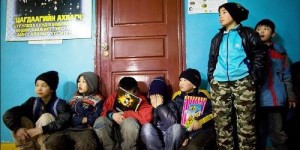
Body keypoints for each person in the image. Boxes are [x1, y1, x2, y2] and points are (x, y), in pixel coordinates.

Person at [207, 2, 267, 150]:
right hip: (219, 84)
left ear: (234, 14)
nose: (220, 16)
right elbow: (212, 60)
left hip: (243, 83)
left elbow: (260, 54)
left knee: (246, 124)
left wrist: (252, 78)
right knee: (221, 124)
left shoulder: (248, 33)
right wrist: (212, 78)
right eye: (219, 14)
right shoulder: (217, 38)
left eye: (224, 12)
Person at [255, 19, 297, 150]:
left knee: (278, 133)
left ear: (272, 34)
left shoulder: (280, 53)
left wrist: (291, 96)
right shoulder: (249, 51)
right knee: (256, 133)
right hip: (255, 100)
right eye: (258, 28)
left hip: (275, 100)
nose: (261, 31)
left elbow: (287, 76)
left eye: (266, 29)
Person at [2, 71, 70, 150]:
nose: (39, 88)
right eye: (37, 85)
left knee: (46, 117)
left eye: (43, 85)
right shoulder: (32, 102)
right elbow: (9, 114)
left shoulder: (60, 103)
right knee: (17, 119)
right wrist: (17, 128)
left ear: (52, 89)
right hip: (34, 140)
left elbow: (62, 121)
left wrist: (41, 130)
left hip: (52, 143)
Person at [45, 72, 104, 150]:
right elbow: (66, 114)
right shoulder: (74, 98)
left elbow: (99, 114)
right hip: (69, 128)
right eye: (79, 81)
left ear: (91, 83)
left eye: (84, 81)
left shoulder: (98, 99)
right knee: (53, 141)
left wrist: (86, 119)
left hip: (85, 129)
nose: (80, 84)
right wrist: (77, 119)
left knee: (85, 144)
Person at [93, 77, 153, 150]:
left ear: (135, 91)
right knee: (100, 121)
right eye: (122, 93)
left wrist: (125, 114)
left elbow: (146, 117)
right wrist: (112, 115)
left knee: (130, 122)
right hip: (113, 130)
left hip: (129, 133)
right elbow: (103, 112)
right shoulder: (113, 96)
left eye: (128, 94)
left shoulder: (142, 100)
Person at [173, 68, 216, 150]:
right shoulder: (176, 96)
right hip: (185, 132)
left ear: (194, 85)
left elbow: (213, 112)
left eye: (185, 80)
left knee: (193, 147)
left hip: (202, 130)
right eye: (180, 80)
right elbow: (174, 117)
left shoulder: (203, 95)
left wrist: (199, 122)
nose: (181, 83)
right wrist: (182, 136)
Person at [140, 77, 186, 150]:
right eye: (153, 95)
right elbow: (147, 124)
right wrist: (154, 109)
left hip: (168, 137)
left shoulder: (171, 104)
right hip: (153, 138)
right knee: (146, 127)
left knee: (177, 127)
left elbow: (173, 123)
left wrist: (160, 107)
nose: (155, 97)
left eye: (158, 95)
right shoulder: (146, 104)